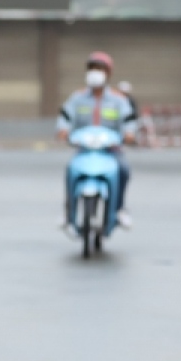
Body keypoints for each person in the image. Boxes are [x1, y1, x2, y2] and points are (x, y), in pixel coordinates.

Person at [57, 51, 137, 230]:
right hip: (84, 150)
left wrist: (129, 134)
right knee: (71, 170)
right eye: (92, 68)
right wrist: (63, 131)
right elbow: (65, 117)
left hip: (111, 150)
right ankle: (68, 211)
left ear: (108, 73)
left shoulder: (119, 100)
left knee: (123, 170)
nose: (96, 72)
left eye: (100, 69)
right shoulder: (77, 98)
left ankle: (119, 209)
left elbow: (129, 121)